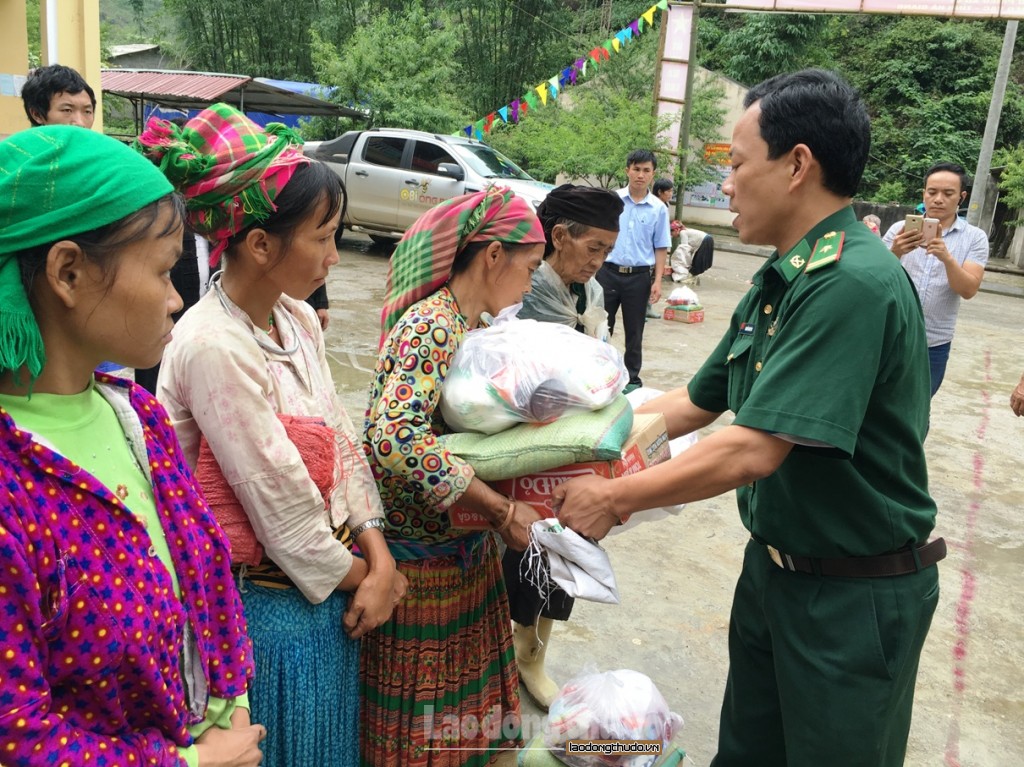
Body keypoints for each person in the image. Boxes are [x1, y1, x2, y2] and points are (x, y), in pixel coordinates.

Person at [552, 69, 944, 767]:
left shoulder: (849, 283)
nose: (725, 184)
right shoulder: (780, 279)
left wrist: (612, 497)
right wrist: (560, 443)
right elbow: (690, 404)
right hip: (776, 573)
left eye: (736, 164)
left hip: (854, 597)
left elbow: (751, 449)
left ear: (797, 165)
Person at [136, 104, 402, 767]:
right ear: (260, 244)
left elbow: (340, 439)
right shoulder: (211, 344)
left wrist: (379, 549)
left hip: (334, 584)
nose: (335, 256)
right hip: (265, 607)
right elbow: (280, 510)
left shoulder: (297, 320)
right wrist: (370, 577)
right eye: (323, 237)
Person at [0, 126, 264, 765]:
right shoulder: (12, 488)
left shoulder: (139, 418)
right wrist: (188, 764)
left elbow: (207, 578)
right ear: (68, 272)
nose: (179, 298)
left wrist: (230, 711)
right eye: (163, 269)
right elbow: (17, 730)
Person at [362, 188, 547, 766]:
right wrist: (497, 508)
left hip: (463, 559)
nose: (530, 285)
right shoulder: (434, 325)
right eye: (530, 268)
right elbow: (393, 436)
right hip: (425, 571)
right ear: (493, 256)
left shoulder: (474, 328)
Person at [504, 183, 622, 709]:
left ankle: (536, 655)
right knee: (526, 550)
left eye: (607, 252)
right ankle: (515, 649)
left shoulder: (588, 294)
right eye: (593, 248)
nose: (599, 261)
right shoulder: (525, 293)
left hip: (579, 442)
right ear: (558, 236)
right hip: (529, 442)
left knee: (574, 546)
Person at [882, 162, 989, 396]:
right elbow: (875, 280)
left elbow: (969, 289)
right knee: (876, 407)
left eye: (948, 193)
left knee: (916, 412)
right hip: (890, 336)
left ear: (961, 197)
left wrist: (947, 258)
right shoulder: (899, 230)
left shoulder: (975, 238)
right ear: (924, 194)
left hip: (933, 345)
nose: (938, 199)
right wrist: (896, 252)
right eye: (932, 192)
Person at [596, 150, 671, 392]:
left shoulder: (658, 209)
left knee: (635, 332)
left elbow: (661, 247)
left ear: (653, 174)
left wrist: (657, 281)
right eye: (636, 169)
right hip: (607, 272)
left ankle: (632, 380)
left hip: (638, 278)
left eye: (646, 170)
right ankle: (597, 373)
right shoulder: (613, 201)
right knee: (599, 326)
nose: (640, 175)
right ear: (627, 170)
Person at [20, 63, 96, 128]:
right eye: (67, 110)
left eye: (87, 112)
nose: (80, 123)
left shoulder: (102, 144)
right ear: (37, 115)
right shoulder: (17, 145)